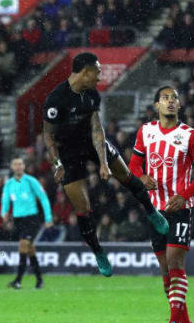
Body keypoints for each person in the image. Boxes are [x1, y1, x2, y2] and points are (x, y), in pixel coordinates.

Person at [42, 52, 169, 277]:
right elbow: (48, 136)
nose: (99, 77)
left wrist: (103, 162)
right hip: (68, 153)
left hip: (90, 143)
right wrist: (57, 163)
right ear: (85, 72)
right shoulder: (55, 99)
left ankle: (151, 212)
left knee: (127, 175)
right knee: (83, 209)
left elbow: (96, 129)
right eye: (97, 72)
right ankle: (98, 251)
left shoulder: (91, 94)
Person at [128, 86, 194, 323]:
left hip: (181, 210)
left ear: (179, 104)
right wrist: (141, 177)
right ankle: (185, 321)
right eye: (165, 98)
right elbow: (133, 163)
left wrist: (184, 195)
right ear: (156, 105)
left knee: (176, 263)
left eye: (174, 98)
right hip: (154, 210)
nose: (171, 101)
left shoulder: (190, 136)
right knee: (166, 273)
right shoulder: (146, 131)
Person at [1, 157, 53, 289]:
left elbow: (43, 198)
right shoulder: (9, 184)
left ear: (24, 166)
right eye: (15, 164)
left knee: (23, 246)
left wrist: (48, 218)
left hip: (31, 219)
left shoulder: (31, 181)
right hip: (18, 220)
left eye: (20, 164)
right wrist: (4, 213)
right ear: (12, 167)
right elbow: (5, 201)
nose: (18, 166)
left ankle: (18, 280)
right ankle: (39, 280)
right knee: (30, 250)